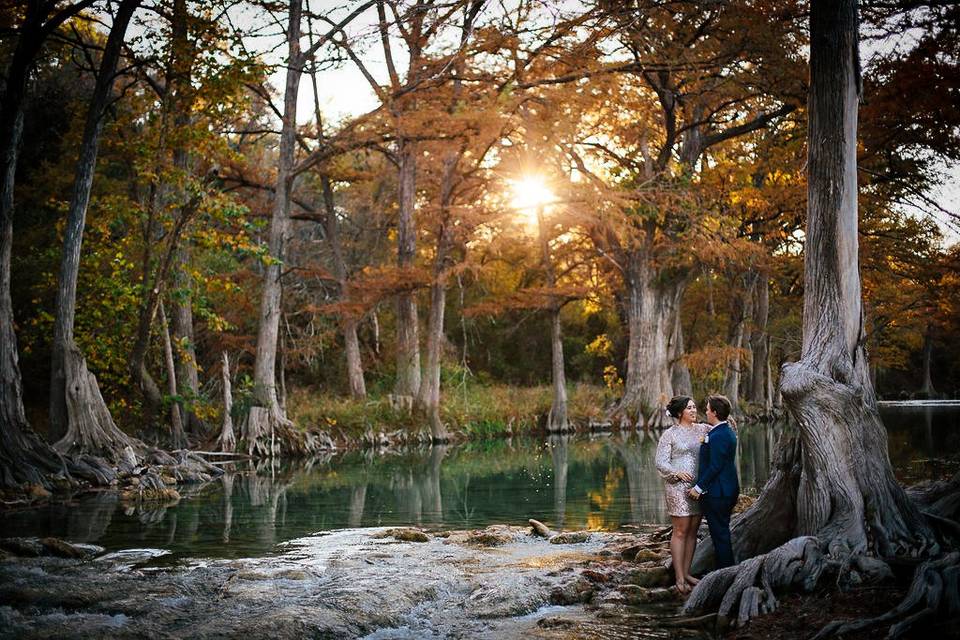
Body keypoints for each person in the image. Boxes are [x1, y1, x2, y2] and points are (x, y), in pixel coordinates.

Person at [655, 395, 711, 593]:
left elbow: (723, 433)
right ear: (680, 413)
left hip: (698, 488)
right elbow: (660, 462)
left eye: (695, 407)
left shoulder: (704, 429)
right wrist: (675, 473)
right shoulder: (670, 434)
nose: (694, 411)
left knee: (693, 531)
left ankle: (687, 572)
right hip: (678, 488)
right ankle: (679, 577)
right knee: (680, 531)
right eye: (689, 408)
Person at [688, 394, 740, 569]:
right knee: (721, 533)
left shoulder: (719, 436)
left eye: (708, 409)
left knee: (720, 534)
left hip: (719, 493)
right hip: (726, 489)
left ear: (715, 412)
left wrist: (698, 487)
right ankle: (724, 568)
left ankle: (726, 571)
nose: (705, 411)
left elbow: (715, 466)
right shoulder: (724, 432)